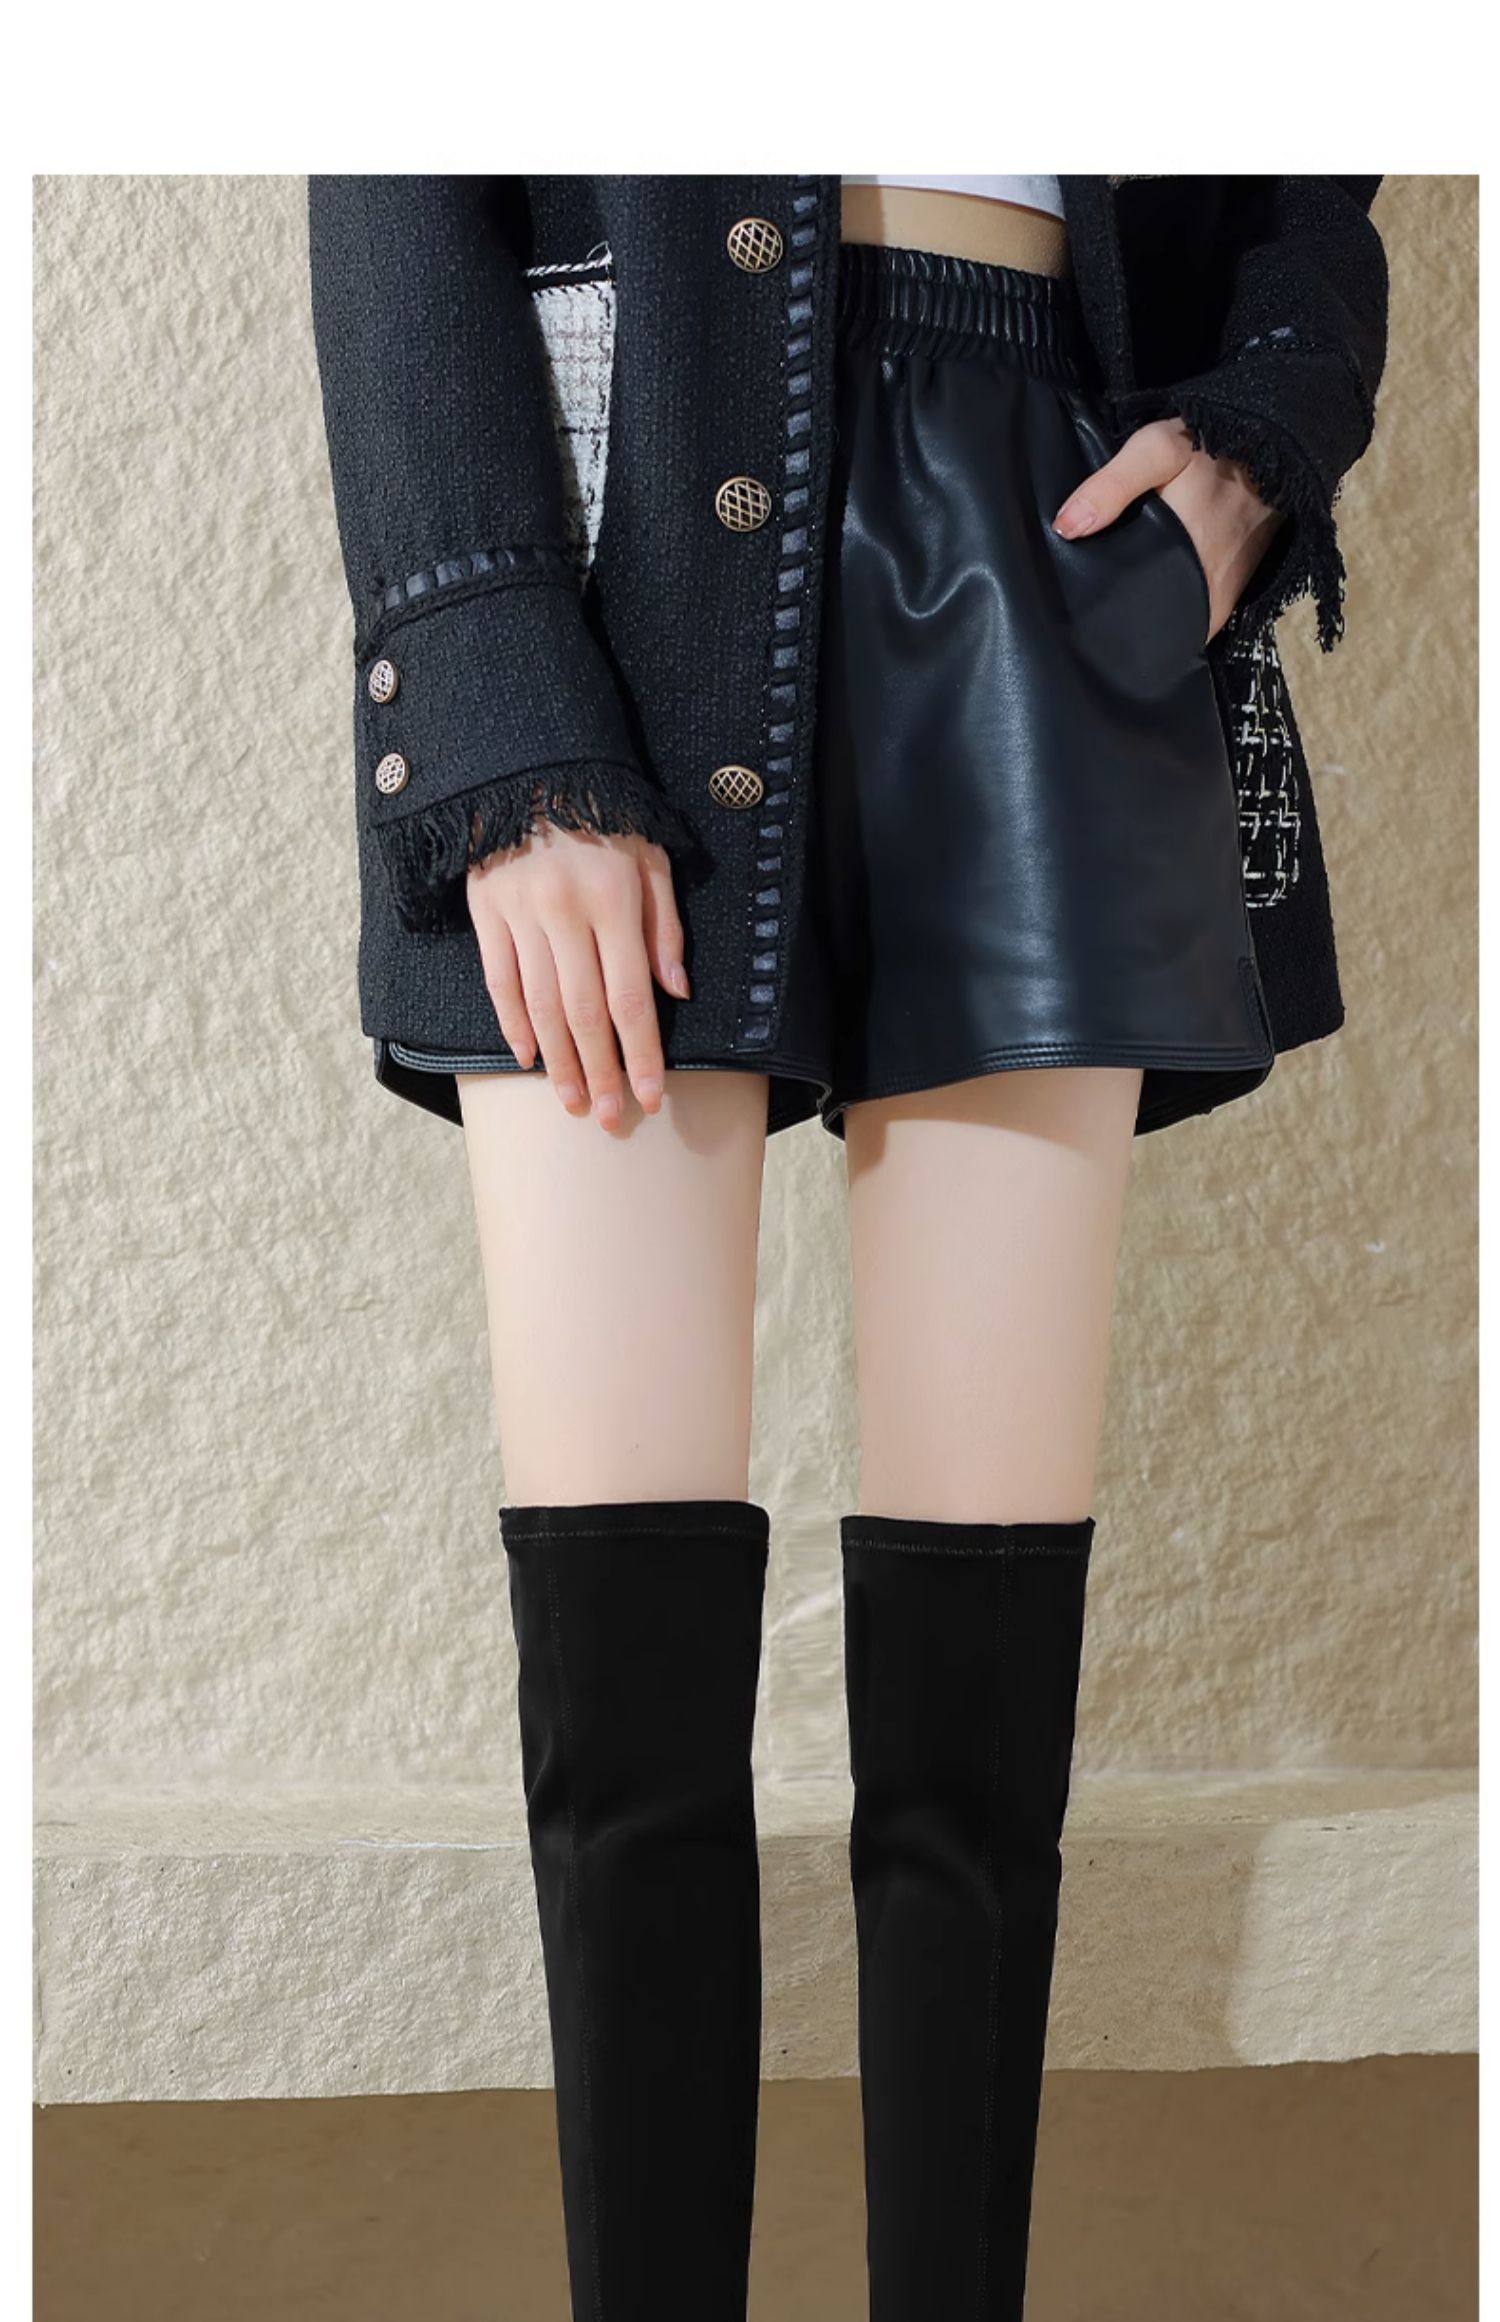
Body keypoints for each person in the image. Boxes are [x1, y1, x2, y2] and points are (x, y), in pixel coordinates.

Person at [309, 172, 1388, 2322]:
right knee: (624, 1704)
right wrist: (496, 692)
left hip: (1053, 512)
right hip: (620, 514)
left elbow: (1332, 147)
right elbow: (389, 153)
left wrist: (1265, 437)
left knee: (984, 1731)